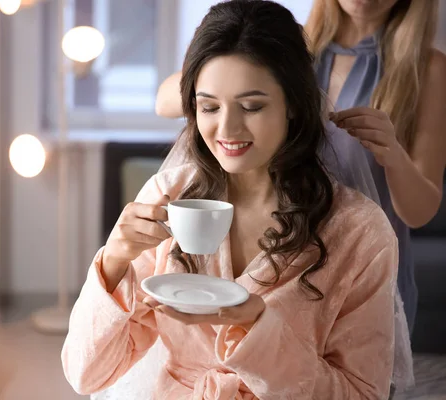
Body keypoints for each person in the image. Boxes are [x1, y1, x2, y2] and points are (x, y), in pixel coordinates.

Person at [62, 1, 399, 398]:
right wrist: (113, 261)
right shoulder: (168, 196)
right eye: (209, 107)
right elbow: (86, 374)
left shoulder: (360, 232)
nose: (227, 128)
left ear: (292, 104)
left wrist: (260, 331)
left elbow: (362, 394)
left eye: (252, 106)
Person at [155, 0, 446, 338]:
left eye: (252, 106)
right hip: (286, 257)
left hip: (360, 267)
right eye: (210, 107)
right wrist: (231, 70)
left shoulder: (425, 68)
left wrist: (392, 153)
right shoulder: (289, 46)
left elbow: (419, 212)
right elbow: (165, 102)